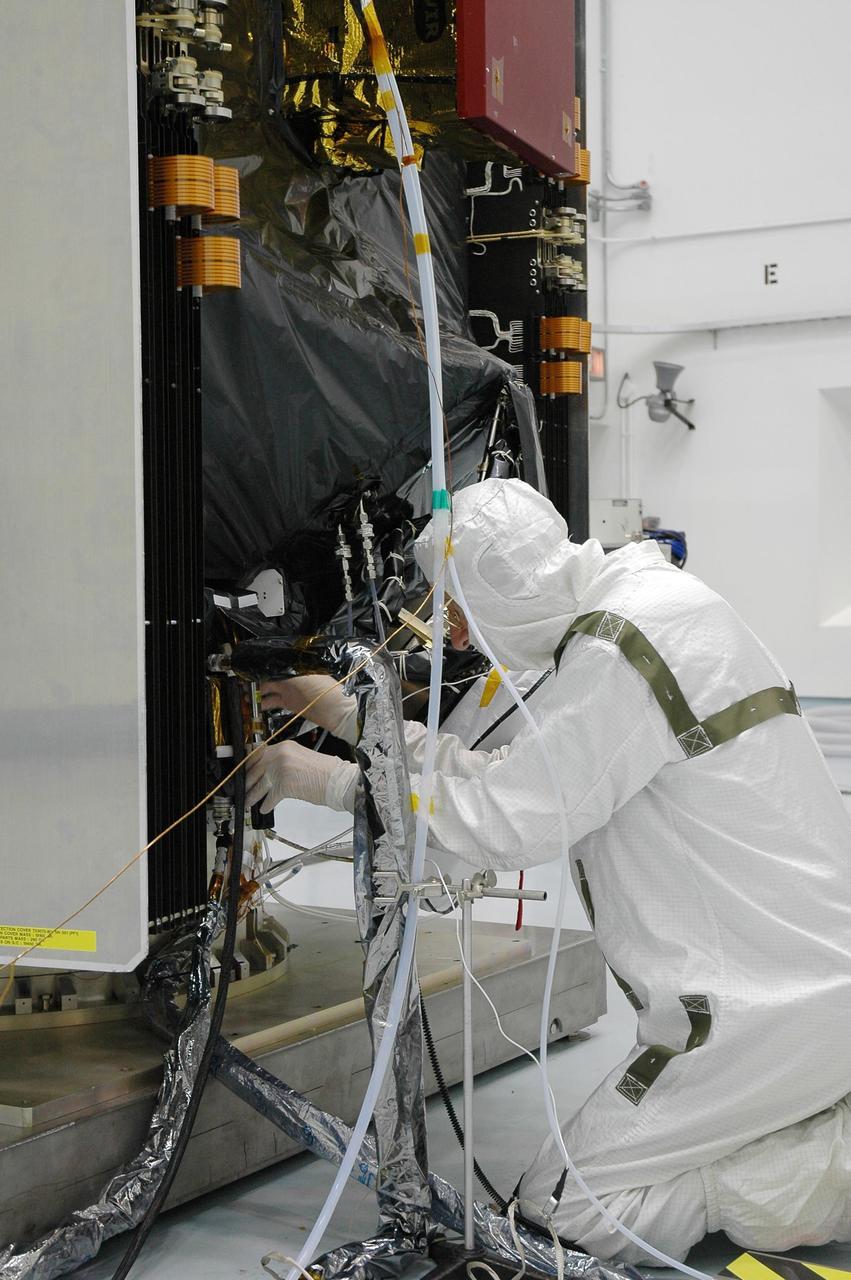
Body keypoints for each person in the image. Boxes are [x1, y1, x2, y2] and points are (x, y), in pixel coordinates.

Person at [246, 477, 851, 1266]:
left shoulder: (618, 650)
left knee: (566, 1214)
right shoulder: (650, 605)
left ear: (497, 587)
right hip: (804, 981)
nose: (455, 636)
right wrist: (348, 714)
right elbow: (510, 768)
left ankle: (827, 1176)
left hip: (756, 1011)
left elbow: (503, 819)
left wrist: (327, 782)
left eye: (457, 609)